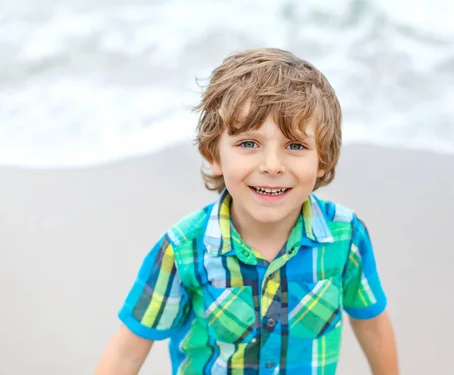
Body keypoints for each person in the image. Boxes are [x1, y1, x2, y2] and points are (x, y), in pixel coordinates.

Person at [94, 48, 399, 374]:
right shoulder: (184, 250)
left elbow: (372, 326)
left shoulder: (346, 237)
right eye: (249, 144)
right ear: (213, 155)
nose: (271, 166)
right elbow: (128, 351)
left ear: (322, 160)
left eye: (295, 146)